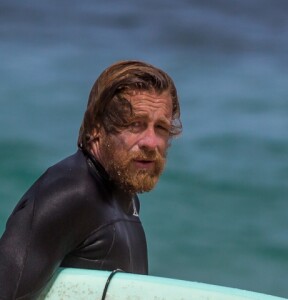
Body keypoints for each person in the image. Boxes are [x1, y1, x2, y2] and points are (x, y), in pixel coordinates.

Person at [0, 60, 182, 299]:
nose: (151, 142)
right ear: (96, 127)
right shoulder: (71, 194)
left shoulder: (121, 196)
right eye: (135, 124)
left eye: (160, 127)